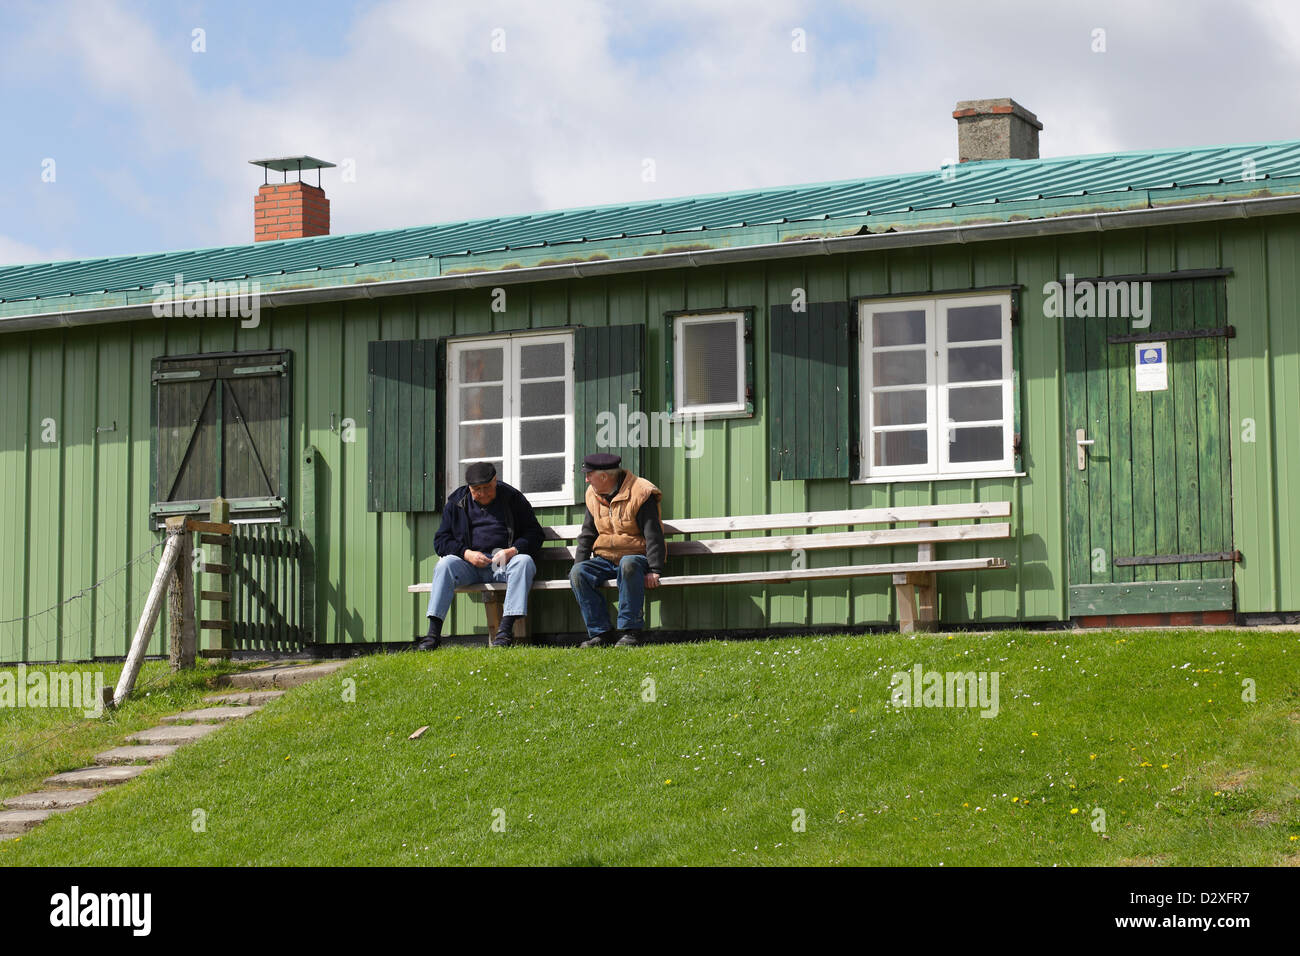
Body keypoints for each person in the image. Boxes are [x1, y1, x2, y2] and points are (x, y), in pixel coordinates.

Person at [419, 462, 542, 649]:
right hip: (470, 565)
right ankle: (432, 635)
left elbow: (535, 533)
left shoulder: (513, 498)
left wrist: (513, 550)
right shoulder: (456, 503)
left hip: (503, 563)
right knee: (445, 565)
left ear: (496, 480)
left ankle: (504, 633)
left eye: (488, 488)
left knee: (524, 561)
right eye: (477, 489)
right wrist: (466, 553)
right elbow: (441, 541)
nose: (483, 494)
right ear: (469, 487)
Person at [569, 453, 665, 647]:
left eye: (589, 474)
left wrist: (655, 570)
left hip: (636, 557)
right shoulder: (592, 494)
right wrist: (579, 564)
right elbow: (587, 534)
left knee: (627, 564)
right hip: (605, 558)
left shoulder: (641, 492)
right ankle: (601, 633)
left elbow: (653, 534)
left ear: (604, 477)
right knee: (578, 572)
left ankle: (632, 632)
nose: (586, 479)